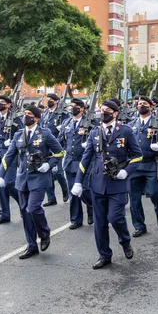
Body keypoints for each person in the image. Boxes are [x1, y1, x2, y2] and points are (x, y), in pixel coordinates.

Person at [72, 100, 143, 269]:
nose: (103, 113)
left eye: (107, 111)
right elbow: (86, 159)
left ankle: (125, 241)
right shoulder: (94, 133)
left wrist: (126, 171)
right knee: (100, 222)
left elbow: (138, 155)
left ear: (115, 113)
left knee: (115, 217)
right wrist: (78, 182)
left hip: (117, 183)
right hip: (97, 183)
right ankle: (104, 255)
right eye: (101, 111)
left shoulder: (125, 131)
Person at [0, 105, 64, 259]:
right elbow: (9, 156)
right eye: (25, 114)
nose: (26, 116)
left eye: (29, 114)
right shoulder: (18, 135)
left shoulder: (45, 134)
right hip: (23, 178)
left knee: (32, 208)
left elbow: (59, 152)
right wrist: (0, 174)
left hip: (39, 176)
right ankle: (31, 245)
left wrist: (49, 164)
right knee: (24, 212)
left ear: (37, 118)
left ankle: (44, 233)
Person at [127, 96, 158, 237]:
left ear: (151, 107)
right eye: (139, 104)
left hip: (152, 164)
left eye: (144, 104)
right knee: (134, 198)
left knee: (155, 193)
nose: (141, 106)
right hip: (135, 165)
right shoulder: (131, 125)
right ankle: (139, 226)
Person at [0, 95, 23, 224]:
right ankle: (4, 214)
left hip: (10, 154)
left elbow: (21, 132)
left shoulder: (15, 117)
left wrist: (13, 141)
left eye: (2, 103)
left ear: (8, 105)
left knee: (9, 183)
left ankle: (22, 204)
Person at [60, 98, 93, 229]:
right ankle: (76, 219)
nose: (72, 108)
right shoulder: (66, 122)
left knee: (85, 190)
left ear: (82, 109)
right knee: (73, 192)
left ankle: (92, 210)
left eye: (75, 106)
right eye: (71, 106)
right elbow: (61, 139)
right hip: (69, 161)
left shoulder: (90, 122)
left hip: (85, 161)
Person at [40, 93, 69, 206]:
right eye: (48, 99)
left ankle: (65, 190)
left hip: (57, 146)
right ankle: (51, 198)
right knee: (47, 173)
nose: (49, 101)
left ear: (56, 101)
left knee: (58, 172)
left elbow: (67, 128)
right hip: (46, 147)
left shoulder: (62, 114)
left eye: (51, 100)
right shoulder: (45, 113)